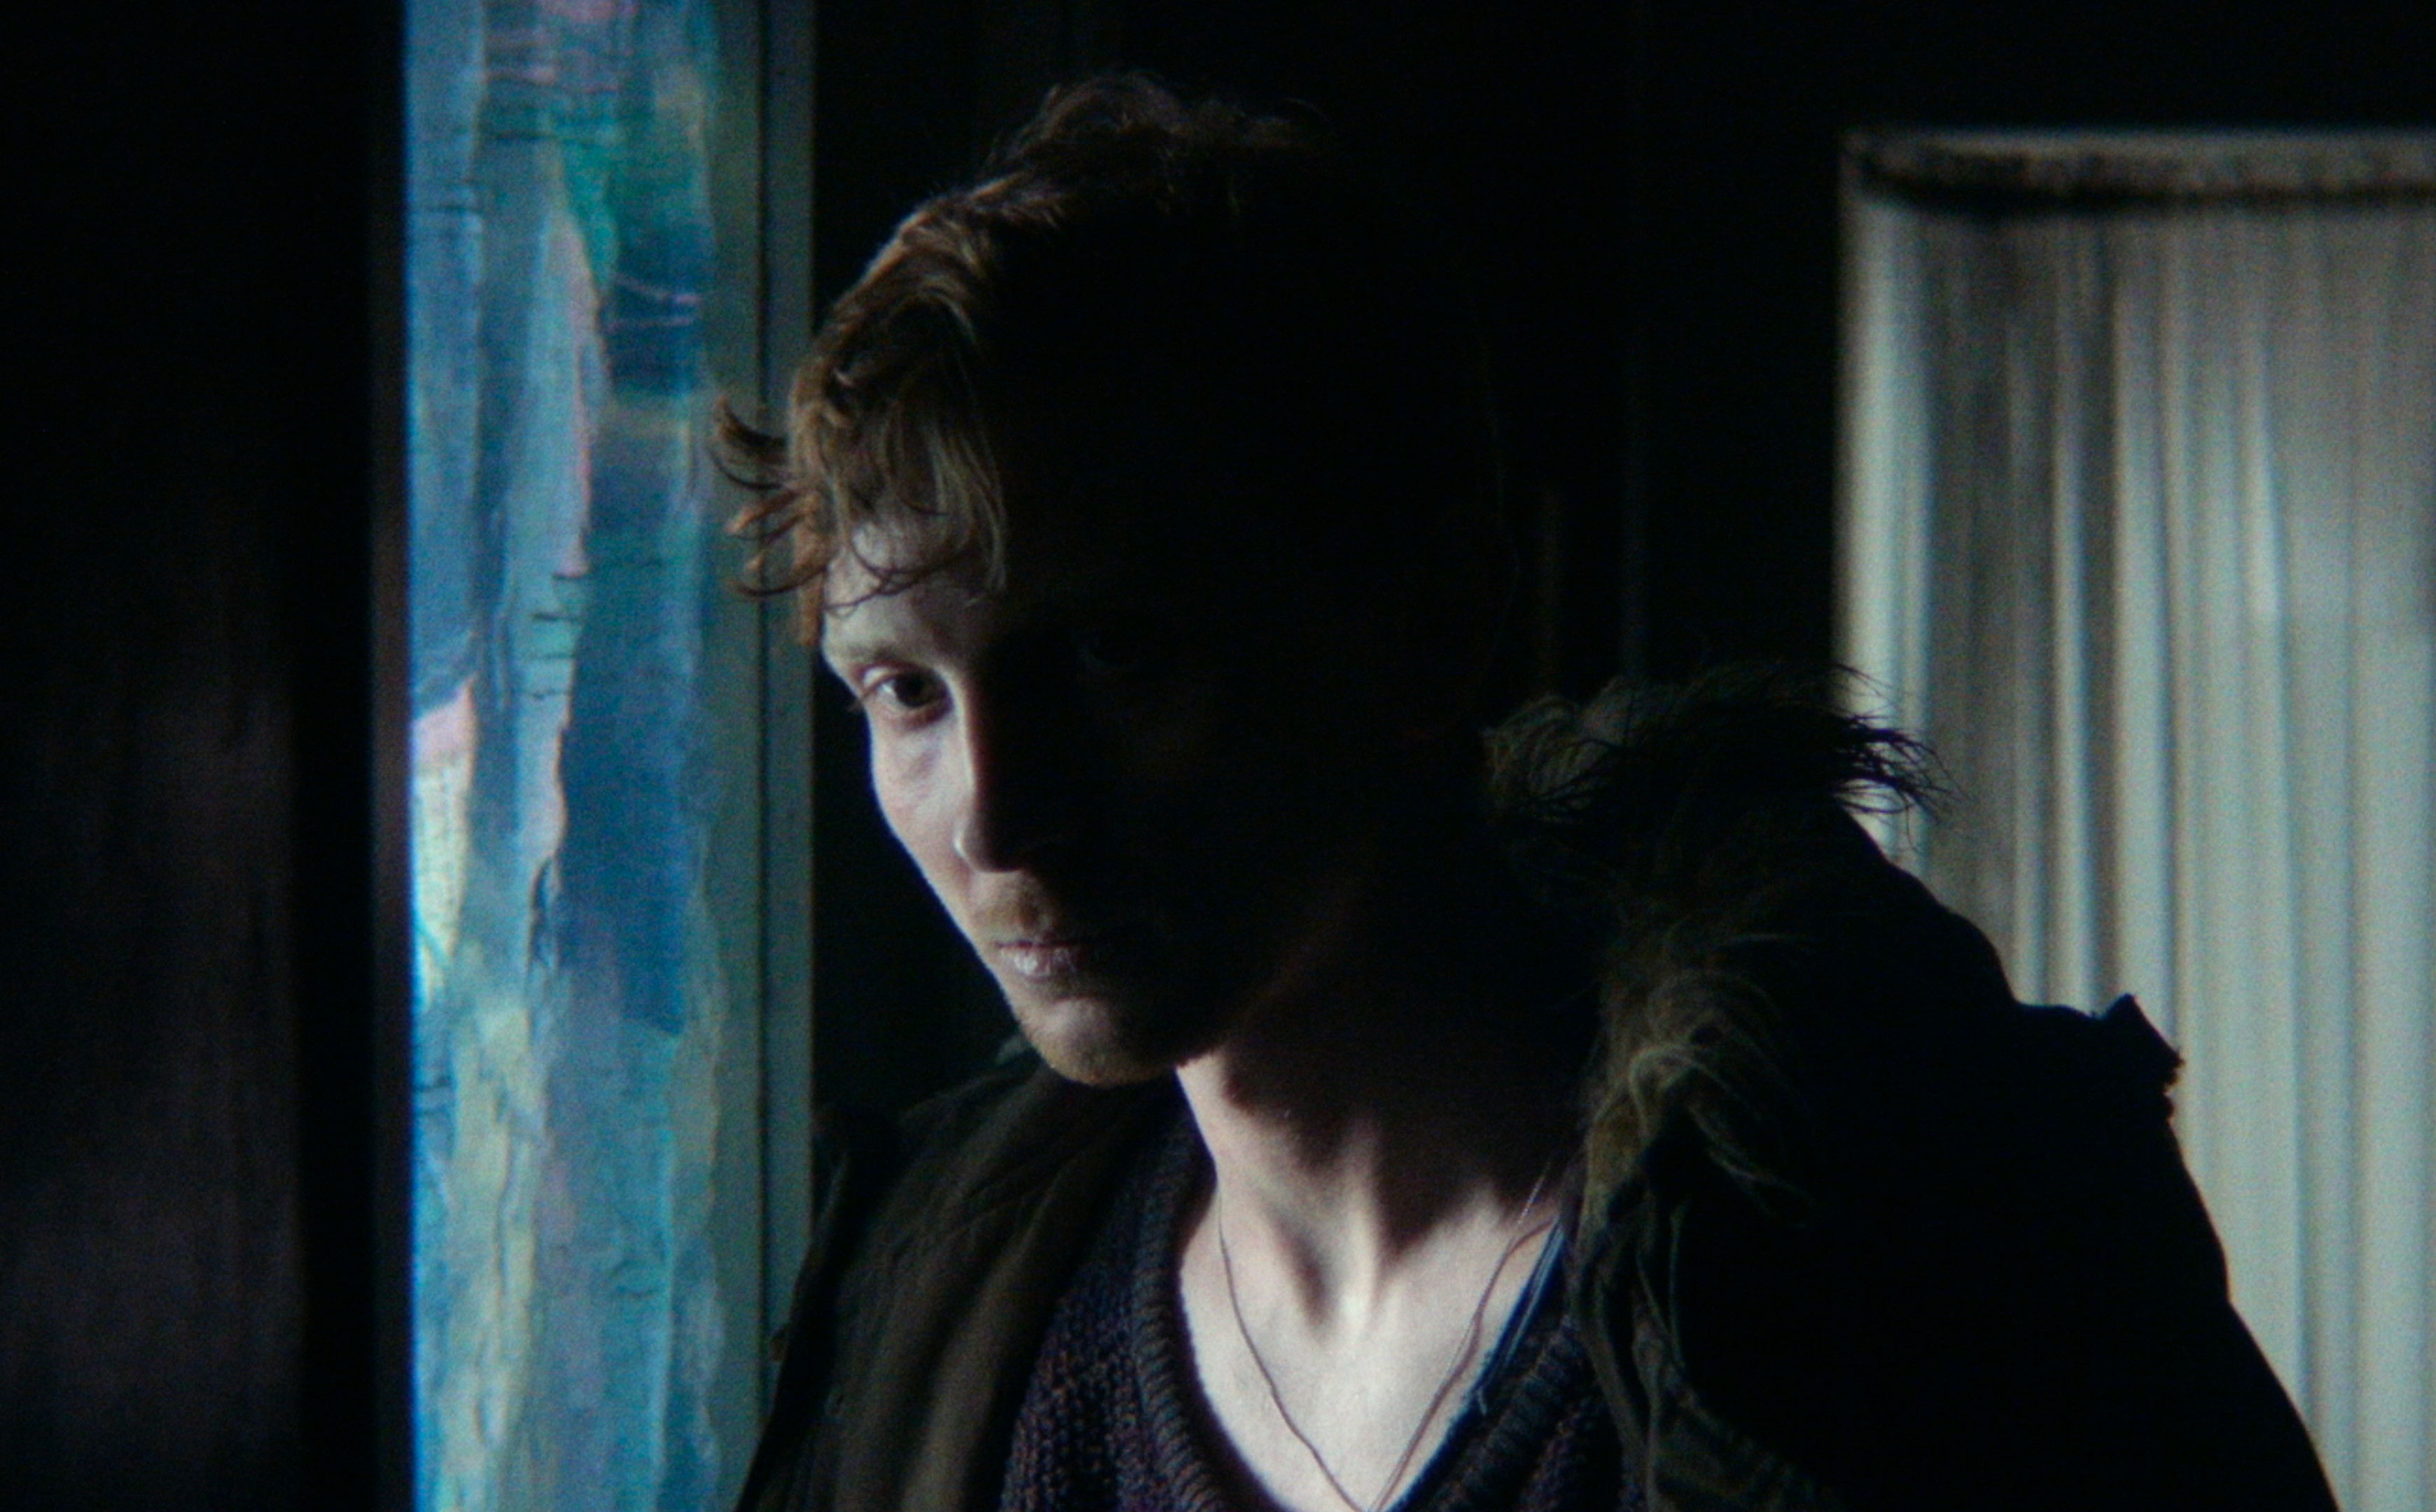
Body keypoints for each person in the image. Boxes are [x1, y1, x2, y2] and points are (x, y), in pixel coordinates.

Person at [721, 75, 2337, 1512]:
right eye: (906, 693)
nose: (997, 817)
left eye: (1118, 655)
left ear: (1431, 620)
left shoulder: (1919, 1253)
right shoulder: (939, 1310)